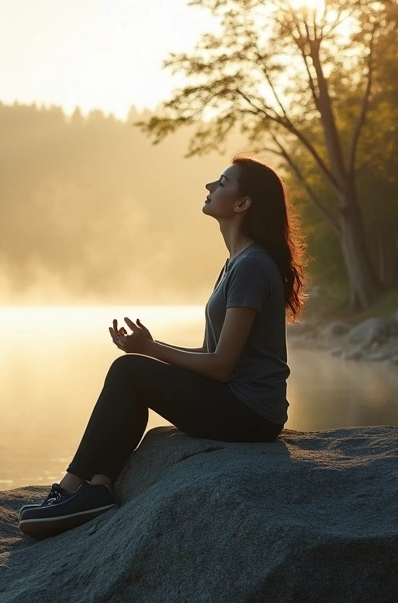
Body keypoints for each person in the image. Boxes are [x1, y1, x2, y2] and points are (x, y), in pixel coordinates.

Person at [18, 154, 308, 539]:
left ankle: (72, 487)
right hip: (241, 404)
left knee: (129, 372)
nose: (209, 187)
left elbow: (220, 366)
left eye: (221, 183)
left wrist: (151, 349)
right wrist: (149, 347)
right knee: (134, 377)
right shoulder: (236, 264)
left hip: (251, 413)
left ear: (242, 204)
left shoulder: (252, 266)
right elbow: (213, 356)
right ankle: (99, 484)